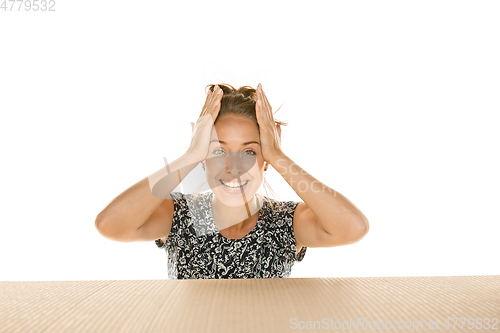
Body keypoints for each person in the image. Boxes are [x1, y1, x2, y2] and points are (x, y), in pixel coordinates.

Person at [95, 83, 369, 279]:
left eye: (249, 151)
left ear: (265, 159)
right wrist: (190, 155)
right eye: (217, 151)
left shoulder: (287, 223)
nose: (232, 168)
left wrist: (276, 154)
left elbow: (353, 227)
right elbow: (110, 225)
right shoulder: (180, 215)